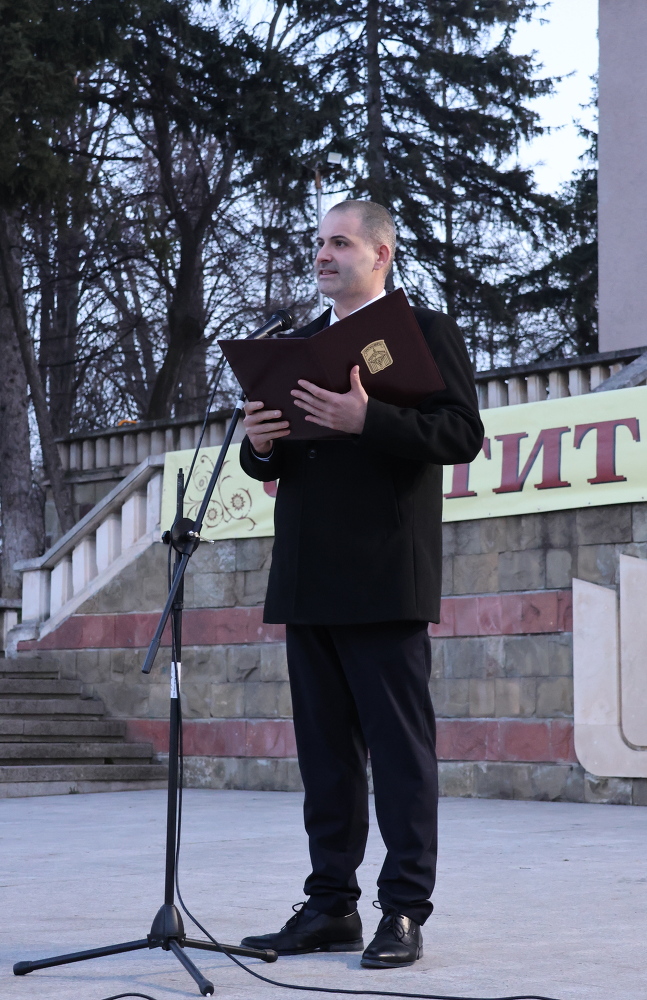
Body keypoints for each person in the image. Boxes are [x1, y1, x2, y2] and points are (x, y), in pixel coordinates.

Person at [238, 200, 483, 969]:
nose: (323, 253)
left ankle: (403, 909)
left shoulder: (423, 333)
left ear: (380, 254)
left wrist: (366, 419)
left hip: (382, 574)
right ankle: (329, 906)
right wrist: (259, 445)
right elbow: (273, 460)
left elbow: (460, 434)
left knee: (399, 754)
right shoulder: (295, 346)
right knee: (325, 759)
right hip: (307, 575)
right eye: (318, 242)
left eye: (339, 242)